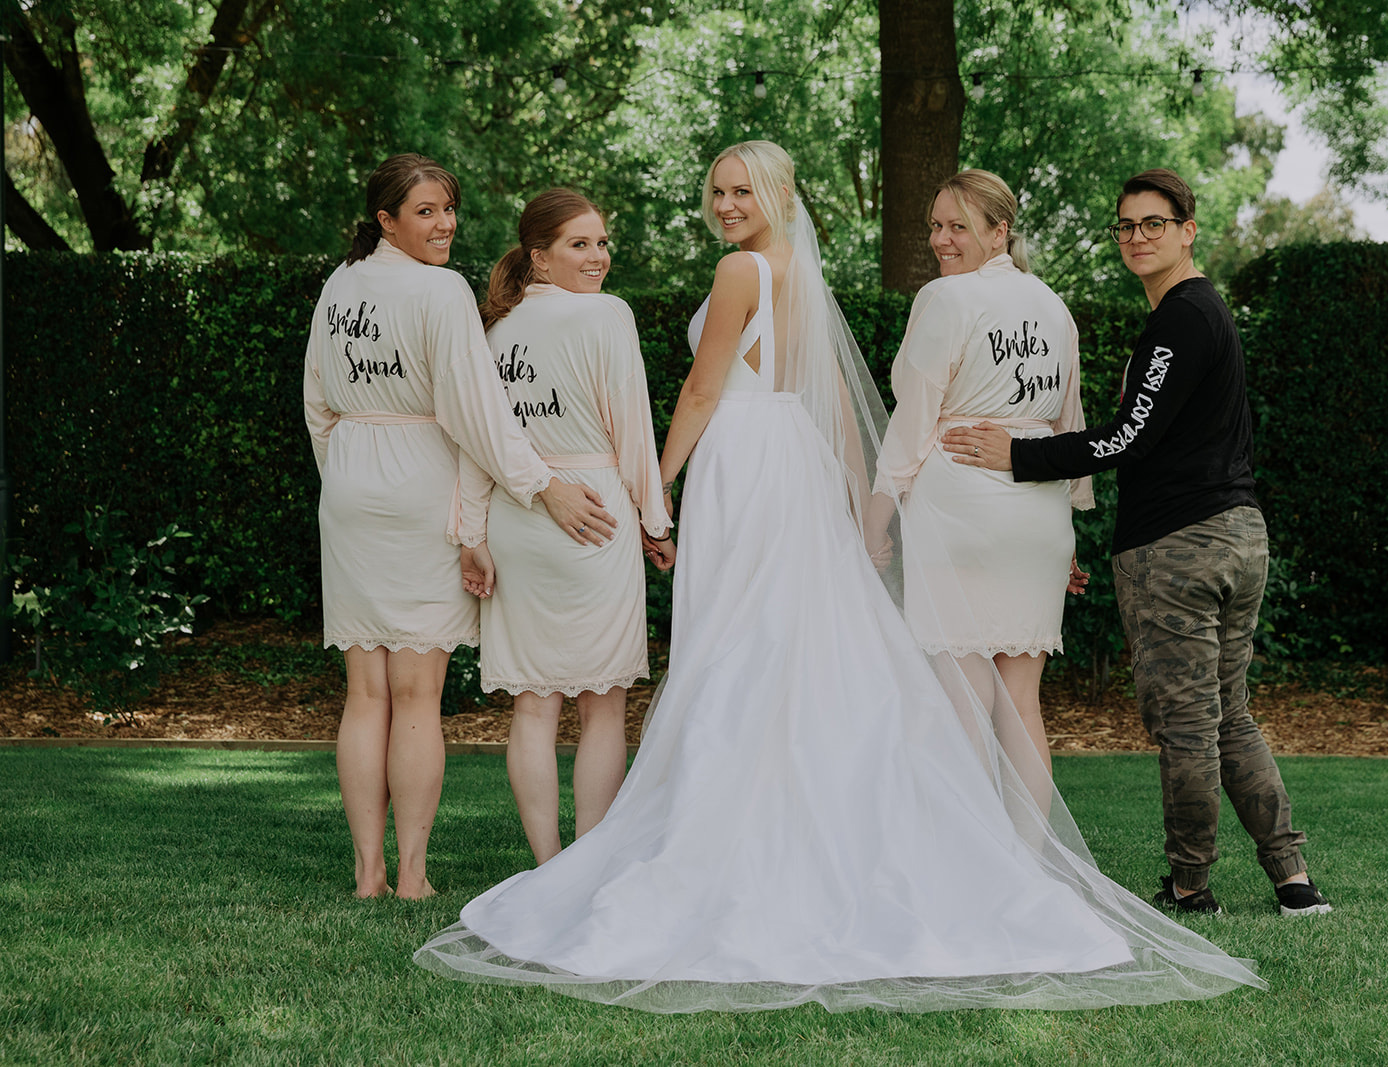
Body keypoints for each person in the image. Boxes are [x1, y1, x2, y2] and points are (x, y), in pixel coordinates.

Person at [414, 142, 1265, 1011]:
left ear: (776, 193)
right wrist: (866, 498)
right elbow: (846, 403)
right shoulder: (812, 276)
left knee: (739, 642)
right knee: (813, 641)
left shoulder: (742, 269)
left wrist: (651, 492)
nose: (726, 203)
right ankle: (983, 851)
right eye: (717, 190)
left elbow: (705, 392)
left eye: (742, 189)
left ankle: (748, 831)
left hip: (745, 462)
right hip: (809, 464)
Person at [942, 168, 1332, 918]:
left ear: (1188, 230)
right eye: (1125, 226)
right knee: (1228, 713)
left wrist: (1019, 457)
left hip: (1181, 545)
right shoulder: (1199, 315)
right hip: (1239, 535)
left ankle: (1191, 886)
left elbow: (1128, 435)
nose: (1137, 238)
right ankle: (1292, 879)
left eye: (1153, 224)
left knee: (1187, 724)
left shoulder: (1183, 319)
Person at [304, 154, 616, 900]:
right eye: (425, 212)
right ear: (386, 220)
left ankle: (365, 872)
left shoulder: (339, 285)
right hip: (420, 480)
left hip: (348, 481)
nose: (444, 224)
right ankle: (409, 874)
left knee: (364, 691)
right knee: (414, 693)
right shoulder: (440, 291)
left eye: (448, 208)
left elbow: (316, 401)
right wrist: (545, 487)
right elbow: (480, 415)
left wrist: (344, 474)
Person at [455, 189, 672, 866]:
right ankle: (588, 862)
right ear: (539, 258)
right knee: (603, 702)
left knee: (533, 704)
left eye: (603, 242)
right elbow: (631, 426)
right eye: (580, 244)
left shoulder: (494, 333)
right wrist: (655, 518)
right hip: (595, 517)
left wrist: (473, 532)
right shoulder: (606, 317)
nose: (599, 256)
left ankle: (548, 862)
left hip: (520, 523)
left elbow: (476, 444)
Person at [868, 169, 1093, 775]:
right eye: (936, 226)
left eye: (958, 227)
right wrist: (1069, 525)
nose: (942, 240)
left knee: (964, 695)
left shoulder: (946, 298)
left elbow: (912, 423)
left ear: (1000, 232)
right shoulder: (1053, 305)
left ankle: (975, 860)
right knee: (1022, 701)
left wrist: (875, 520)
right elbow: (1069, 425)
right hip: (1038, 520)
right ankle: (1023, 860)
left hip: (959, 510)